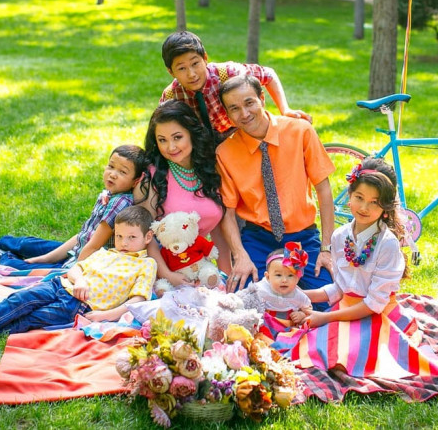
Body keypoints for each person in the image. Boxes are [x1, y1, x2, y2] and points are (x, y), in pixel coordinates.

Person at [270, 158, 438, 379]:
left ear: (385, 208)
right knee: (310, 348)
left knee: (347, 357)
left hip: (376, 314)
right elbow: (340, 289)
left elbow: (373, 304)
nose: (364, 208)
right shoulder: (339, 236)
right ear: (350, 196)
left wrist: (325, 318)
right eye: (359, 198)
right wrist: (296, 294)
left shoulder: (387, 244)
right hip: (345, 309)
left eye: (374, 202)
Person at [0, 206, 158, 345]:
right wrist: (80, 280)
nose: (124, 242)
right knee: (18, 300)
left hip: (78, 305)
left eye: (132, 237)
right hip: (59, 285)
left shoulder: (146, 264)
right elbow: (75, 269)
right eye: (119, 236)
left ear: (148, 236)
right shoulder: (105, 253)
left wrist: (106, 316)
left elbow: (138, 300)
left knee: (31, 319)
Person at [215, 74, 335, 295]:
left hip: (302, 237)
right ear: (228, 115)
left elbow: (323, 189)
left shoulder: (300, 131)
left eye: (249, 103)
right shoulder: (225, 152)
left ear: (262, 98)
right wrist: (240, 255)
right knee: (248, 301)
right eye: (234, 108)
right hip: (258, 238)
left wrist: (326, 248)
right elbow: (228, 213)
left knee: (328, 298)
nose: (244, 113)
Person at [0, 145, 150, 271]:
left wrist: (73, 271)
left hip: (83, 261)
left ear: (135, 181)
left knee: (25, 268)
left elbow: (94, 245)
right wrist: (46, 257)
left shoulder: (119, 203)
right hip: (77, 249)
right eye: (111, 166)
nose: (113, 174)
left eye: (122, 172)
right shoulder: (110, 194)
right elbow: (84, 235)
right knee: (34, 245)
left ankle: (1, 254)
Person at [158, 31, 311, 139]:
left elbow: (268, 75)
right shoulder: (171, 96)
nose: (191, 74)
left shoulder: (228, 73)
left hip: (243, 133)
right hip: (205, 147)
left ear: (205, 58)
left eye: (195, 63)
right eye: (182, 68)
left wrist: (285, 109)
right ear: (171, 72)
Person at [142, 100, 230, 283]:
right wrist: (167, 275)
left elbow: (219, 230)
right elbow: (145, 233)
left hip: (197, 264)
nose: (171, 147)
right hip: (160, 269)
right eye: (162, 140)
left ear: (192, 133)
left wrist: (226, 277)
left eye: (177, 137)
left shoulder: (213, 168)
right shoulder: (153, 173)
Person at [252, 243, 313, 339]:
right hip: (266, 326)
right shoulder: (261, 289)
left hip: (287, 329)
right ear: (268, 277)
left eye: (290, 275)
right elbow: (248, 298)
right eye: (278, 275)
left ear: (297, 278)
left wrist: (301, 314)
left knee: (298, 336)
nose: (284, 280)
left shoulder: (298, 295)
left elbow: (308, 309)